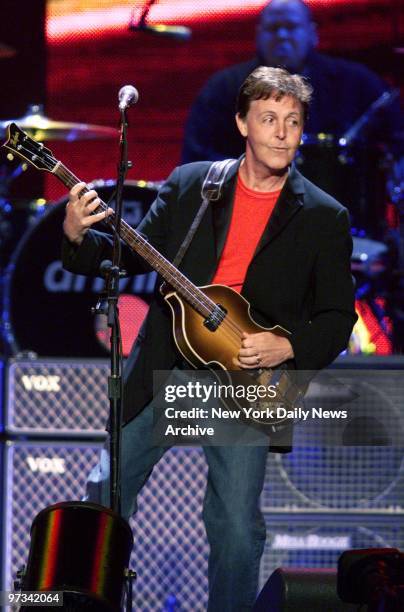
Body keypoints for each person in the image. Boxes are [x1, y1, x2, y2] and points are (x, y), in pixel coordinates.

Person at [62, 66, 357, 611]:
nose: (281, 132)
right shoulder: (193, 184)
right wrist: (80, 235)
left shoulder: (322, 215)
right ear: (243, 123)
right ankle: (75, 604)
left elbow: (339, 316)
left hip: (247, 383)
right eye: (269, 119)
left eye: (292, 122)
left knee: (236, 530)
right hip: (172, 366)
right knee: (103, 495)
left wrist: (286, 345)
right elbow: (129, 254)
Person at [181, 0, 403, 164]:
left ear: (312, 33)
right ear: (258, 35)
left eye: (291, 27)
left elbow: (396, 136)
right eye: (273, 28)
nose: (282, 36)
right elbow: (197, 158)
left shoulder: (354, 82)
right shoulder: (224, 88)